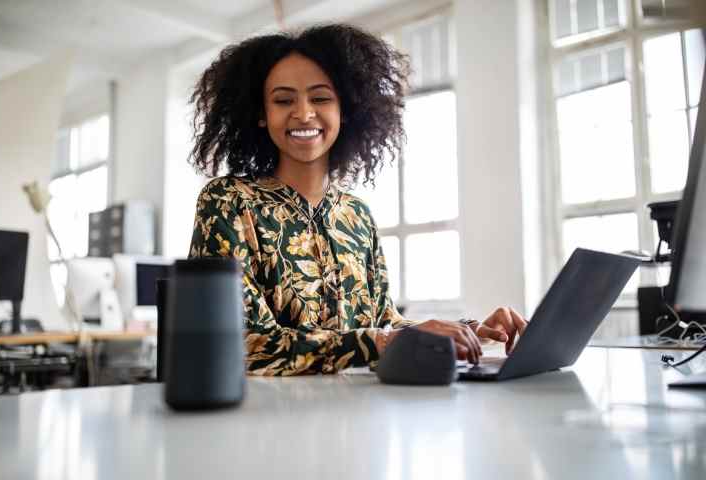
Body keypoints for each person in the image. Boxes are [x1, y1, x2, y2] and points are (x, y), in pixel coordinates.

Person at [188, 24, 527, 376]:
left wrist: (469, 332)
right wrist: (379, 341)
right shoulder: (228, 201)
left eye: (320, 98)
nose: (303, 113)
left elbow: (385, 323)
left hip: (358, 416)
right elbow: (238, 343)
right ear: (260, 113)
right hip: (266, 420)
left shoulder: (356, 216)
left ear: (345, 109)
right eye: (283, 100)